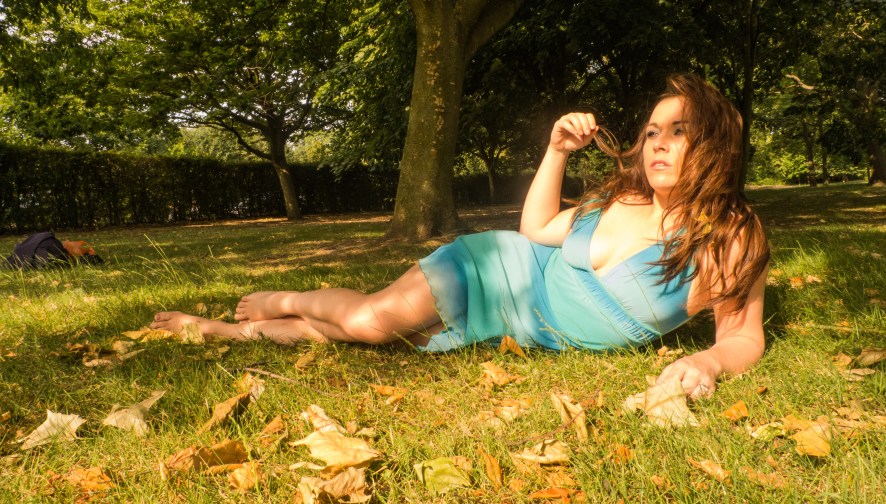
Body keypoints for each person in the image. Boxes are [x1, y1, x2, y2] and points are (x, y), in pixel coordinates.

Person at [151, 74, 769, 399]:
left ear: (716, 144)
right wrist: (556, 151)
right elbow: (534, 231)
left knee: (375, 336)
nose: (658, 142)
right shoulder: (619, 198)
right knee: (372, 322)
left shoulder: (730, 236)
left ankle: (231, 331)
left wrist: (706, 361)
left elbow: (742, 336)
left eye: (679, 131)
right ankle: (280, 299)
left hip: (520, 327)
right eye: (653, 130)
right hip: (498, 270)